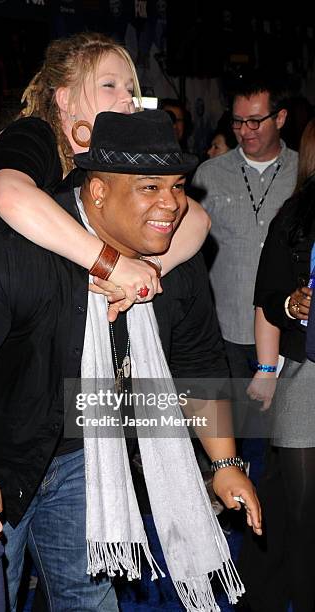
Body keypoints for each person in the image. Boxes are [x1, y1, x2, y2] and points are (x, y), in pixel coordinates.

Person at [0, 109, 261, 612]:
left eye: (178, 186)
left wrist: (224, 462)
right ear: (97, 192)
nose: (172, 206)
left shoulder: (169, 266)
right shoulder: (7, 252)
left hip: (83, 453)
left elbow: (197, 360)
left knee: (89, 600)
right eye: (150, 188)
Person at [0, 33, 210, 468]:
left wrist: (143, 271)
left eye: (131, 88)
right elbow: (11, 196)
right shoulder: (33, 134)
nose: (127, 98)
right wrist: (112, 264)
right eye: (109, 85)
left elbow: (196, 218)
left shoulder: (112, 154)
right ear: (67, 98)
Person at [192, 72, 298, 439]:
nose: (245, 130)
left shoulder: (303, 174)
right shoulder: (208, 174)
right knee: (230, 431)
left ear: (280, 118)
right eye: (237, 122)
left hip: (286, 331)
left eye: (255, 121)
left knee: (282, 434)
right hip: (223, 331)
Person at [237, 118, 315, 612]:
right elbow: (266, 297)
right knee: (304, 512)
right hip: (305, 375)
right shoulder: (297, 215)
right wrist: (292, 304)